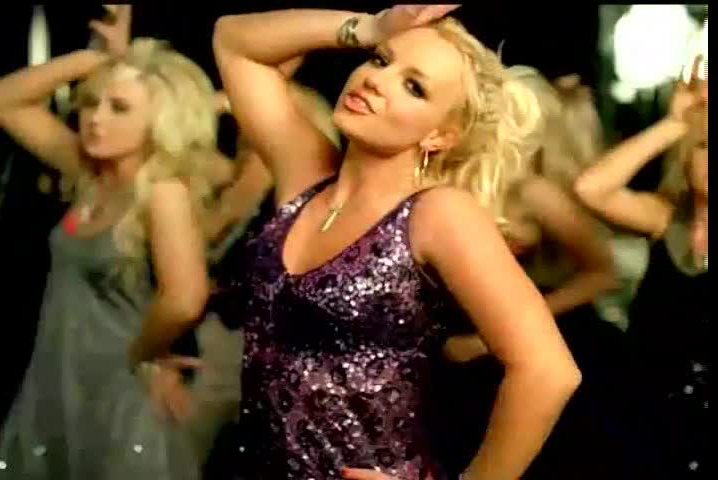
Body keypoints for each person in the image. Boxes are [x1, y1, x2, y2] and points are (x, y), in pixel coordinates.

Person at [213, 6, 581, 479]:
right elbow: (235, 40)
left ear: (440, 135)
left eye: (414, 87)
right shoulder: (305, 174)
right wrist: (369, 27)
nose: (375, 80)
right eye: (380, 60)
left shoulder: (439, 213)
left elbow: (548, 371)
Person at [0, 6, 213, 479]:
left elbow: (185, 298)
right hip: (58, 371)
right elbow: (6, 100)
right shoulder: (87, 174)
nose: (95, 119)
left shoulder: (163, 192)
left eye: (119, 108)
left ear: (159, 120)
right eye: (92, 102)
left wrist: (144, 354)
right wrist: (99, 60)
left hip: (119, 383)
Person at [437, 67, 625, 479]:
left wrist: (486, 340)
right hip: (449, 343)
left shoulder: (532, 192)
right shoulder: (442, 177)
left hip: (520, 339)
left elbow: (602, 274)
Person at [574, 57, 708, 479]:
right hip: (645, 406)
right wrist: (674, 124)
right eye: (705, 146)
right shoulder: (666, 217)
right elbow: (590, 188)